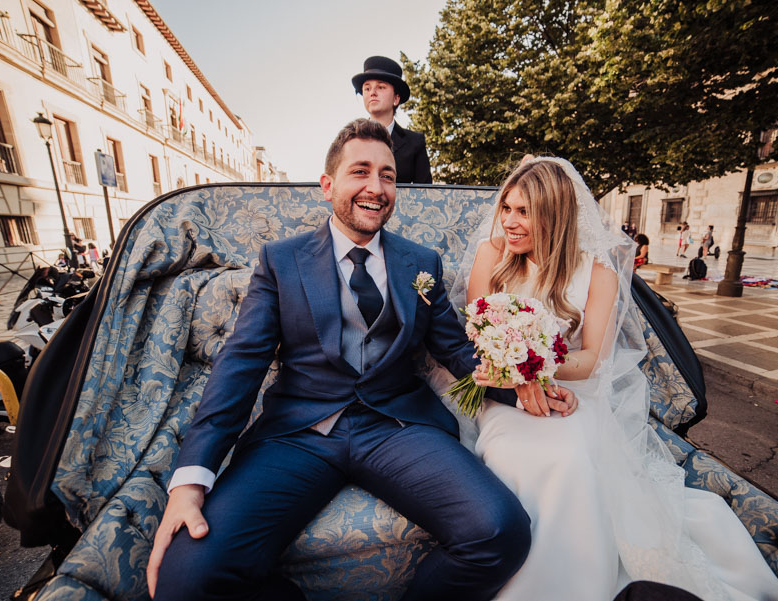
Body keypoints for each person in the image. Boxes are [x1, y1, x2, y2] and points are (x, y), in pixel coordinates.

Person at [146, 119, 558, 601]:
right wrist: (191, 480)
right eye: (360, 172)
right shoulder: (282, 260)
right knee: (185, 579)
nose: (375, 187)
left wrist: (523, 383)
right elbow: (239, 365)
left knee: (501, 532)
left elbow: (458, 351)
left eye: (387, 175)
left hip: (399, 428)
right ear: (328, 186)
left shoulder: (420, 263)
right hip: (299, 434)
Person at [435, 157, 778, 601]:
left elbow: (590, 363)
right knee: (526, 457)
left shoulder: (597, 270)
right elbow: (476, 340)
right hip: (504, 397)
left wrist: (534, 361)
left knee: (572, 458)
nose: (508, 221)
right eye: (506, 208)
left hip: (573, 395)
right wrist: (516, 374)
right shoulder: (493, 254)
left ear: (555, 214)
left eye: (523, 211)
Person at [352, 55, 432, 184]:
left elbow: (425, 194)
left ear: (396, 98)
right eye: (367, 88)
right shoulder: (351, 140)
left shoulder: (415, 143)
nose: (372, 92)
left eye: (381, 87)